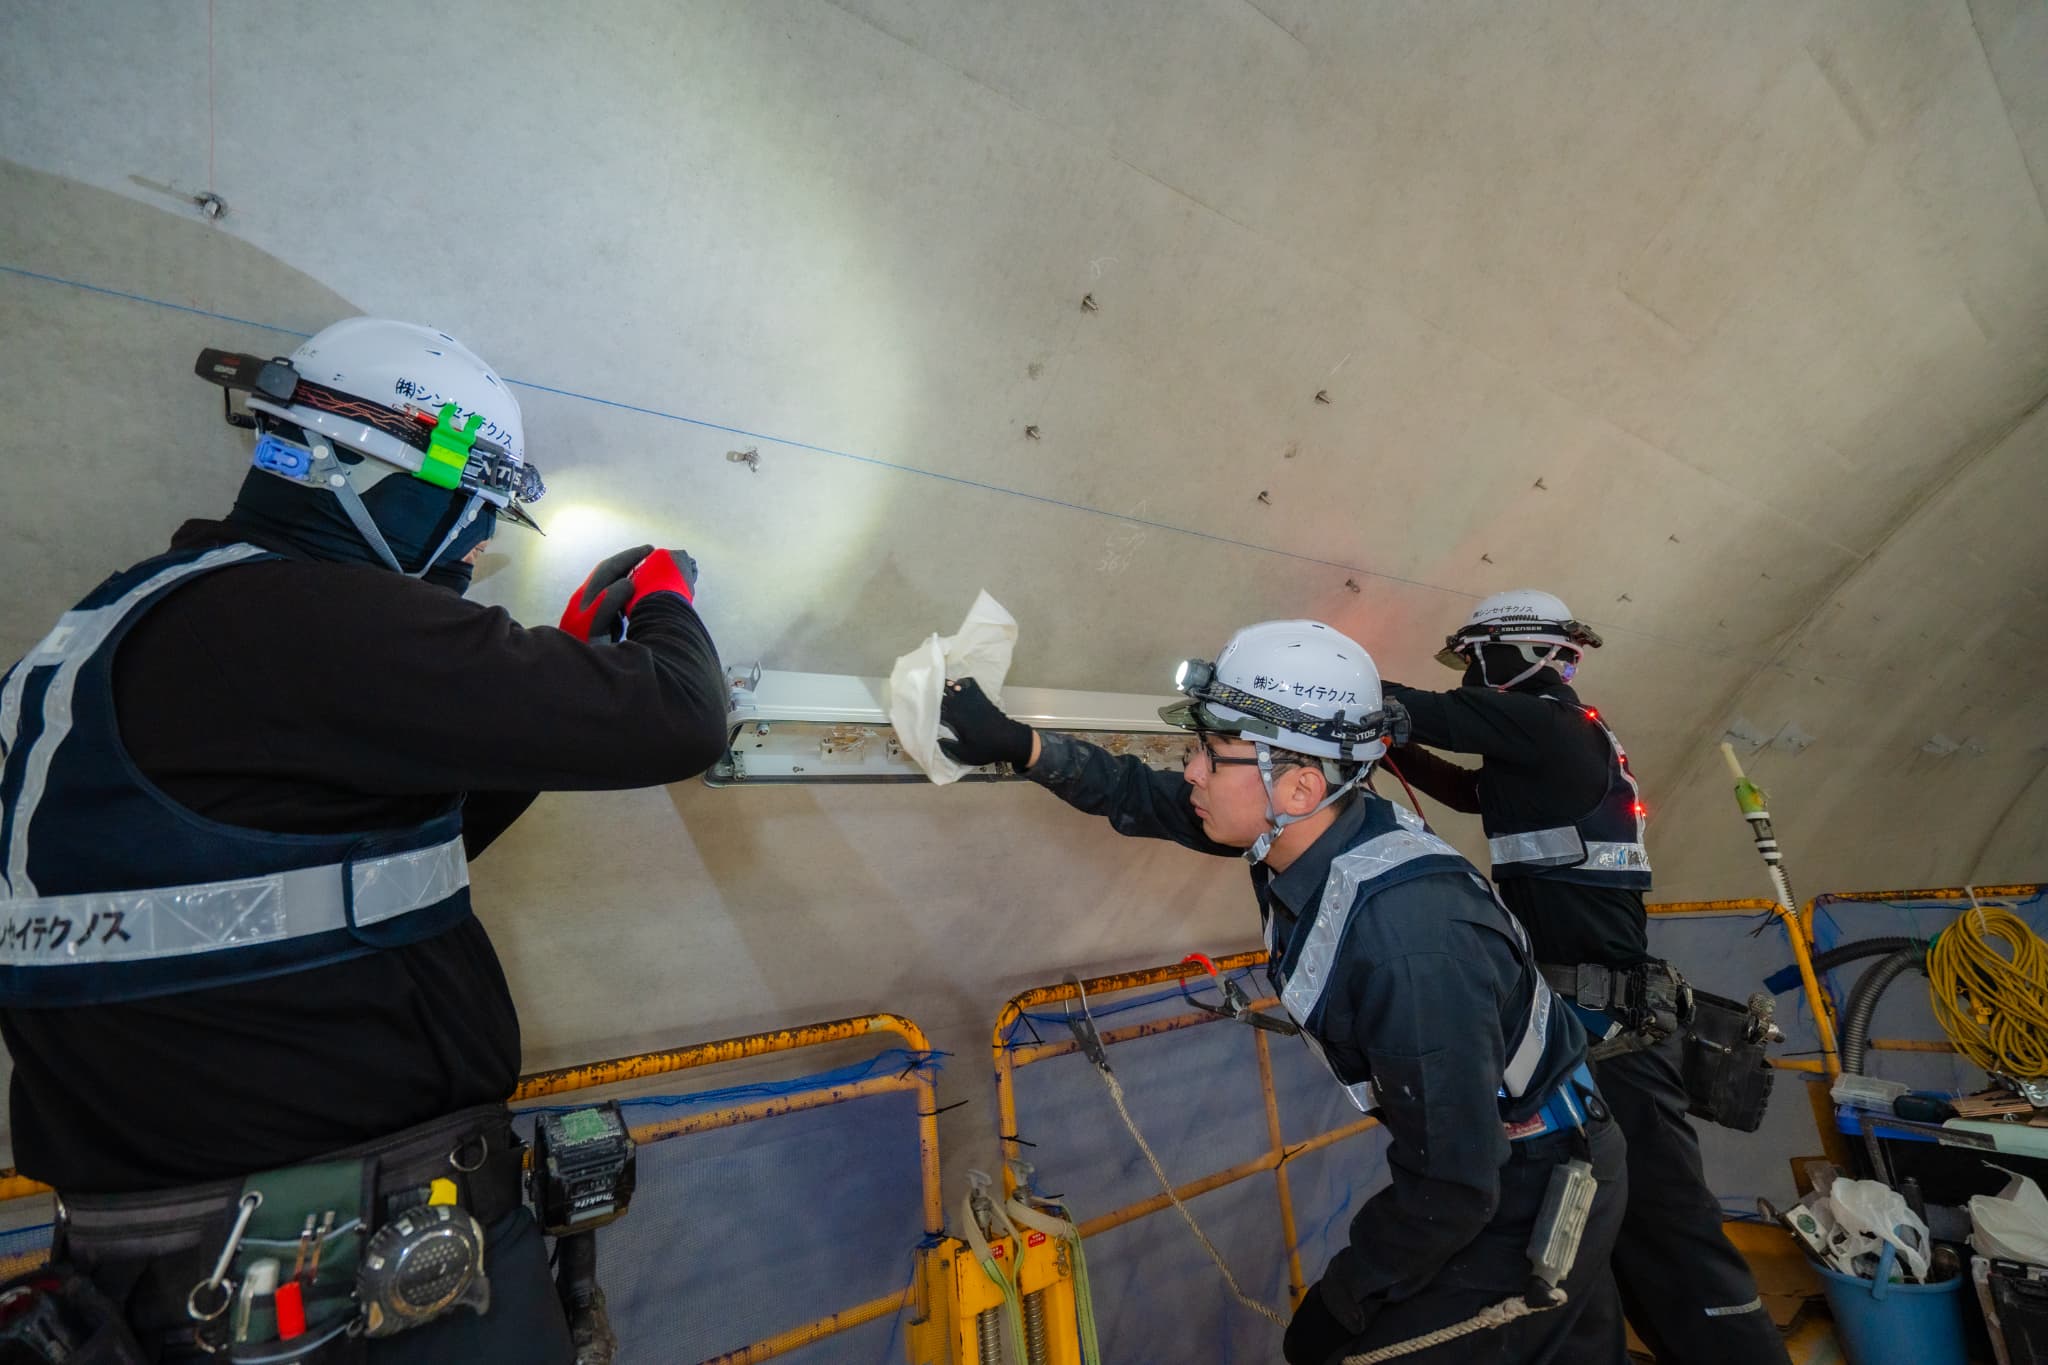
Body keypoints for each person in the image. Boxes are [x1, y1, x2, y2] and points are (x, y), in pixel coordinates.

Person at [0, 318, 728, 1362]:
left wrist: (546, 690)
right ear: (378, 472)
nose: (480, 546)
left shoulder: (137, 620)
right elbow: (679, 716)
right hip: (342, 1271)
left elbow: (367, 867)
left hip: (179, 1266)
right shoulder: (307, 617)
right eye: (477, 509)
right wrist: (663, 599)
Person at [940, 620, 1626, 1365]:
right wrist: (1018, 744)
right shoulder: (1306, 830)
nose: (1193, 772)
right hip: (1510, 1161)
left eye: (1211, 754)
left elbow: (1455, 1185)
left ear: (1297, 784)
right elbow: (1146, 797)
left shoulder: (1410, 941)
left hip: (1532, 1183)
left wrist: (1342, 1298)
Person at [1380, 590, 1789, 1365]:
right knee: (1592, 1237)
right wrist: (1390, 749)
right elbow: (1471, 790)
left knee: (1671, 1233)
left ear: (1516, 653)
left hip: (1612, 1035)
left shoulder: (1543, 721)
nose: (1469, 673)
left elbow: (1427, 711)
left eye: (1473, 657)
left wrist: (1332, 695)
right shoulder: (1556, 744)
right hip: (1590, 1027)